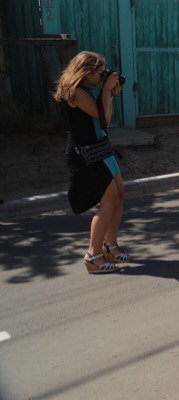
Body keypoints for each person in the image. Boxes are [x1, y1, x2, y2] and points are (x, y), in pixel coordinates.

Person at [54, 51, 129, 274]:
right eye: (99, 73)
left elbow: (104, 120)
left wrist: (110, 94)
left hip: (100, 147)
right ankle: (92, 255)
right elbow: (102, 116)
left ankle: (110, 244)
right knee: (109, 202)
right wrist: (106, 90)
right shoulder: (75, 92)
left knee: (120, 193)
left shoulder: (86, 90)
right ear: (86, 72)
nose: (101, 77)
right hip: (87, 154)